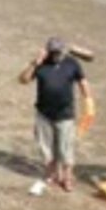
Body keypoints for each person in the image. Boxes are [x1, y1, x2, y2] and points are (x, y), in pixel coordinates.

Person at [18, 37, 93, 192]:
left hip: (65, 114)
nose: (56, 55)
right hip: (43, 114)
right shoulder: (40, 64)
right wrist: (34, 63)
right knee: (46, 149)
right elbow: (23, 80)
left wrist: (89, 101)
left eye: (59, 52)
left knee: (66, 149)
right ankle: (51, 175)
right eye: (53, 52)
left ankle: (67, 178)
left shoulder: (72, 63)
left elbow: (84, 80)